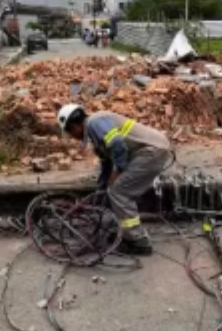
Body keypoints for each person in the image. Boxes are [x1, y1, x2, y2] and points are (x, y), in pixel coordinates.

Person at [56, 104, 172, 256]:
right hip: (151, 149)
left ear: (74, 126)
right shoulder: (95, 131)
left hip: (151, 151)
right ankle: (125, 232)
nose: (73, 136)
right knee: (116, 190)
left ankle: (138, 242)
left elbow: (117, 144)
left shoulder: (94, 122)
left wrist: (118, 170)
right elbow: (106, 163)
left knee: (119, 192)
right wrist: (101, 190)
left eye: (70, 132)